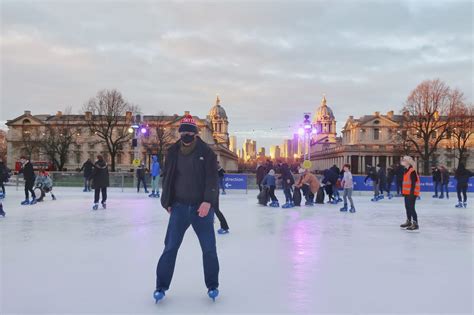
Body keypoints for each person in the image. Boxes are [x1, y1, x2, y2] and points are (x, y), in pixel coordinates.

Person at [155, 115, 220, 303]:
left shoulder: (207, 152)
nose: (186, 134)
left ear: (196, 133)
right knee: (170, 248)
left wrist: (208, 201)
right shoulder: (173, 151)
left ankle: (212, 285)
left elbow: (212, 179)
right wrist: (167, 201)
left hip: (202, 208)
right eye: (183, 131)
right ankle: (161, 286)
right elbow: (168, 177)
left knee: (209, 249)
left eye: (190, 131)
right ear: (180, 132)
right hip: (179, 207)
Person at [399, 156, 420, 231]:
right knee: (407, 207)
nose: (402, 161)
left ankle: (415, 223)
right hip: (407, 193)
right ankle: (409, 221)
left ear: (408, 162)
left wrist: (411, 194)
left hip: (412, 193)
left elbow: (413, 184)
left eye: (403, 160)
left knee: (411, 208)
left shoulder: (412, 171)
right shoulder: (406, 170)